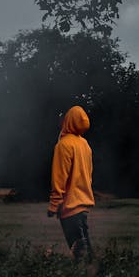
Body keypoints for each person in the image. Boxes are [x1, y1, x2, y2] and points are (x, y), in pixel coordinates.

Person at [47, 104, 94, 262]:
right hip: (83, 206)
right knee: (86, 251)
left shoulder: (64, 145)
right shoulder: (85, 145)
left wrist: (54, 206)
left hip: (70, 208)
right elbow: (88, 175)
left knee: (80, 254)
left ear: (69, 121)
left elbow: (59, 178)